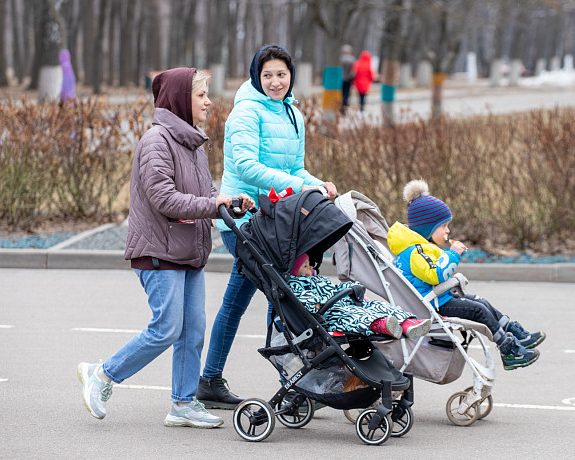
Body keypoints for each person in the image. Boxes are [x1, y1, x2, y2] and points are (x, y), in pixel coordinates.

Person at [76, 68, 254, 429]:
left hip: (187, 251)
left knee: (193, 331)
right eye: (201, 95)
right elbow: (165, 199)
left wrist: (229, 202)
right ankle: (103, 375)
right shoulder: (156, 141)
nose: (208, 102)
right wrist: (212, 203)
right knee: (167, 328)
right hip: (159, 253)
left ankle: (183, 404)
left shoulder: (193, 144)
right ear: (179, 99)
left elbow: (202, 194)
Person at [197, 44, 338, 410]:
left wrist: (318, 183)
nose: (275, 82)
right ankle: (293, 385)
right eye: (267, 75)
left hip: (275, 222)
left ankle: (211, 379)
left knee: (238, 300)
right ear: (256, 78)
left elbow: (296, 169)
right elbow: (245, 166)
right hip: (244, 221)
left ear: (291, 76)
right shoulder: (246, 112)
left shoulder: (293, 113)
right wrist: (299, 187)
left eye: (281, 74)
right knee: (281, 295)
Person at [387, 180, 545, 370]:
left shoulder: (420, 249)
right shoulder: (415, 252)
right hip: (433, 305)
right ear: (427, 228)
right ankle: (508, 350)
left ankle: (514, 332)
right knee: (479, 310)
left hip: (438, 298)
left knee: (481, 302)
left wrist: (447, 255)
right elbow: (436, 274)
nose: (448, 231)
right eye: (443, 226)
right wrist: (452, 254)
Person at [289, 253, 432, 338]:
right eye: (305, 266)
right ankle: (380, 325)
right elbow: (303, 297)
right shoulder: (298, 284)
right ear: (296, 272)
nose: (311, 268)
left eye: (309, 264)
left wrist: (350, 288)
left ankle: (408, 324)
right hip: (329, 313)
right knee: (355, 315)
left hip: (342, 302)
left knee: (376, 305)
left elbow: (335, 288)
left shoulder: (319, 279)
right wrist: (315, 303)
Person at [340, 44, 356, 113]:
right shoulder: (352, 60)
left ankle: (341, 107)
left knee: (341, 94)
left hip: (341, 79)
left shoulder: (340, 59)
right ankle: (345, 107)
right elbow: (353, 71)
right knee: (346, 94)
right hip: (348, 79)